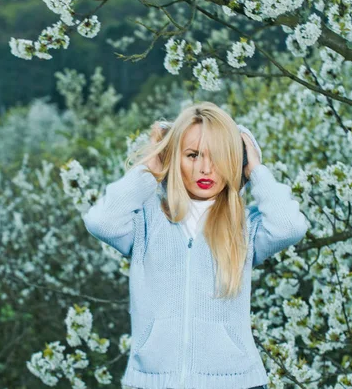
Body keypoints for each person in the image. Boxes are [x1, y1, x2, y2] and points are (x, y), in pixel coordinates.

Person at [82, 101, 309, 389]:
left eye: (218, 156)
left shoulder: (244, 227)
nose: (205, 168)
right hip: (153, 383)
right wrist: (149, 169)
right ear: (174, 158)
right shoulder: (146, 220)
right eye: (192, 155)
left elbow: (290, 226)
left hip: (236, 383)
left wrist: (255, 170)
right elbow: (101, 221)